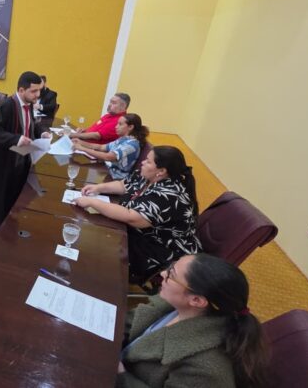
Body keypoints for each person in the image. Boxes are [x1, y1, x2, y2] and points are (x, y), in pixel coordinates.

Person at [118, 253, 268, 388]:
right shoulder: (175, 304)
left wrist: (120, 375)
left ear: (196, 300)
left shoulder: (206, 370)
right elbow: (132, 323)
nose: (163, 274)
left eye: (171, 275)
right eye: (170, 267)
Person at [75, 146, 201, 283]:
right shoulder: (147, 175)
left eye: (148, 161)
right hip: (139, 234)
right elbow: (124, 185)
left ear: (161, 171)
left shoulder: (169, 194)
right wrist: (98, 188)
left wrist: (93, 202)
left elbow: (132, 217)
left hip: (161, 248)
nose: (143, 162)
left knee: (102, 257)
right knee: (98, 239)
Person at [0, 71, 51, 240]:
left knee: (13, 197)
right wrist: (16, 139)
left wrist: (42, 132)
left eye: (39, 90)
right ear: (21, 90)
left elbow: (31, 124)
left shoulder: (28, 104)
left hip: (21, 159)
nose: (38, 95)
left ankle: (7, 229)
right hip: (2, 164)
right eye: (34, 91)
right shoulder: (6, 106)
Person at [72, 113, 148, 179]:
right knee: (79, 165)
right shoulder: (123, 139)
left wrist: (82, 148)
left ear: (130, 127)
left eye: (120, 124)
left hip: (116, 176)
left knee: (78, 168)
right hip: (107, 168)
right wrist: (81, 142)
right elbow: (101, 147)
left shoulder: (131, 145)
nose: (116, 127)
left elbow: (107, 157)